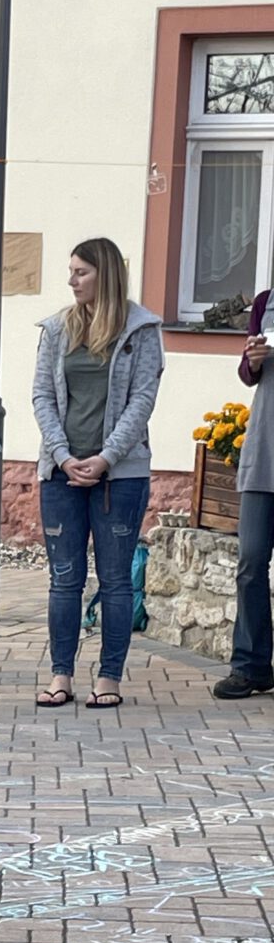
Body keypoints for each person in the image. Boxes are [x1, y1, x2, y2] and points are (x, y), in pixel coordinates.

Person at [32, 236, 164, 709]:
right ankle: (60, 675)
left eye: (80, 272)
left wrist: (106, 457)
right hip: (61, 473)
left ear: (104, 275)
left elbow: (142, 401)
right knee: (64, 578)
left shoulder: (142, 331)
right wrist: (64, 455)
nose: (71, 280)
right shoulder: (56, 329)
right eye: (70, 271)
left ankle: (109, 677)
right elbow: (42, 397)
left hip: (121, 476)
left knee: (114, 579)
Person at [212, 290, 274, 698]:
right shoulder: (265, 302)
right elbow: (248, 373)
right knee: (251, 561)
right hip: (265, 451)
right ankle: (251, 667)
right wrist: (251, 361)